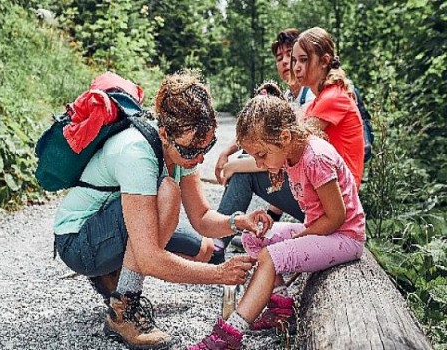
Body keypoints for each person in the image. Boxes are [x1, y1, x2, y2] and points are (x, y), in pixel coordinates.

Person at [53, 70, 271, 350]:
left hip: (108, 226)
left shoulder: (182, 151)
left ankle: (112, 274)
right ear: (166, 134)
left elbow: (202, 218)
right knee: (168, 193)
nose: (201, 157)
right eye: (193, 150)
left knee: (204, 250)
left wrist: (239, 221)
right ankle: (124, 311)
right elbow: (149, 258)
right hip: (77, 241)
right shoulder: (137, 153)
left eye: (209, 146)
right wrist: (219, 275)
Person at [188, 83, 365, 349]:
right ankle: (281, 307)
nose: (258, 164)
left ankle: (230, 334)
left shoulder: (315, 157)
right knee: (253, 237)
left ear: (283, 137)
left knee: (271, 256)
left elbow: (337, 217)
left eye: (260, 155)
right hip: (321, 229)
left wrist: (300, 237)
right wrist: (270, 220)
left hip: (344, 237)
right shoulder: (289, 155)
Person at [212, 28, 315, 260]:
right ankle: (226, 237)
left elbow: (285, 157)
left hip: (325, 198)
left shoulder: (312, 97)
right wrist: (228, 151)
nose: (286, 62)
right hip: (306, 188)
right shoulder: (291, 97)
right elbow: (261, 138)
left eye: (292, 55)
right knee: (243, 163)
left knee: (243, 171)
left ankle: (216, 245)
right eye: (280, 58)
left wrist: (234, 166)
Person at [292, 26, 365, 185]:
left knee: (246, 176)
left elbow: (291, 145)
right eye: (295, 60)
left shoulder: (333, 97)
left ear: (324, 61)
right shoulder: (317, 101)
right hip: (326, 184)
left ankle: (227, 211)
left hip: (341, 194)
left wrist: (237, 165)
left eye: (303, 60)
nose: (296, 67)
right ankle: (269, 212)